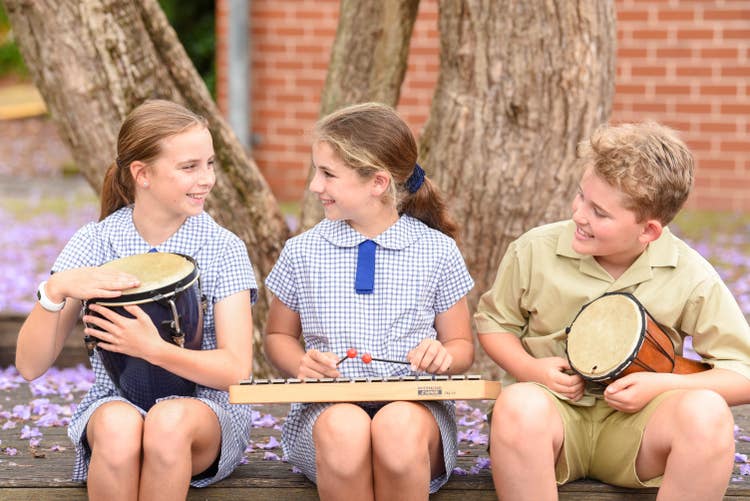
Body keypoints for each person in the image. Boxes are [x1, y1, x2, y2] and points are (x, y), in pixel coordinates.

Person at [475, 121, 750, 501]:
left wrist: (665, 385)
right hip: (551, 426)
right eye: (580, 196)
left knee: (708, 414)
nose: (579, 215)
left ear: (649, 231)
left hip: (638, 435)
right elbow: (494, 323)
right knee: (518, 404)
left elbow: (743, 373)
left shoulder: (690, 274)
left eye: (599, 212)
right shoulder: (533, 250)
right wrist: (530, 369)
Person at [15, 100, 257, 501]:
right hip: (117, 401)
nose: (207, 179)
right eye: (189, 167)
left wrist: (151, 349)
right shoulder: (95, 242)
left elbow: (235, 368)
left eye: (209, 163)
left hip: (203, 411)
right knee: (117, 427)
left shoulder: (223, 248)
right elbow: (28, 365)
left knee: (167, 421)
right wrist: (55, 290)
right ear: (142, 174)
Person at [264, 102, 475, 500]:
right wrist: (299, 362)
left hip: (416, 413)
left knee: (396, 432)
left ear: (378, 183)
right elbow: (277, 335)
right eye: (316, 171)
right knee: (345, 434)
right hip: (325, 410)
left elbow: (461, 347)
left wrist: (441, 355)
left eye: (327, 174)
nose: (314, 185)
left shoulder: (437, 251)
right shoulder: (301, 252)